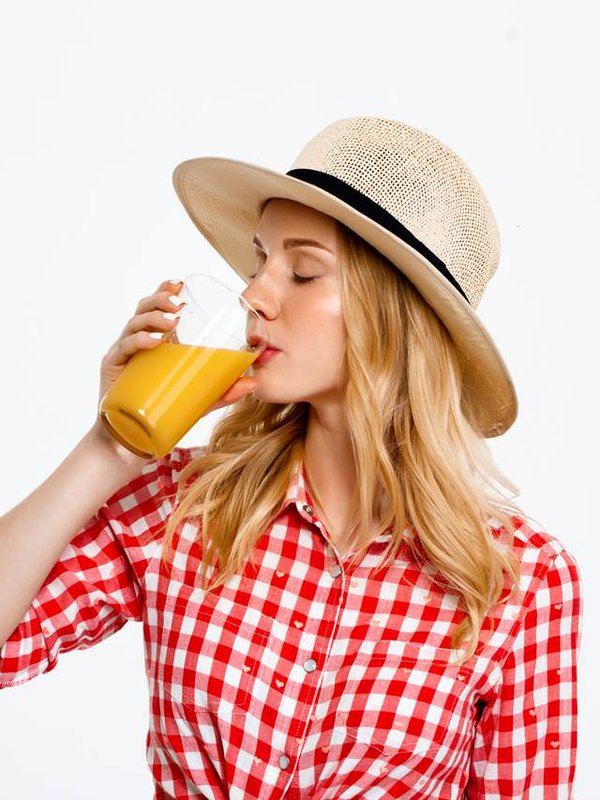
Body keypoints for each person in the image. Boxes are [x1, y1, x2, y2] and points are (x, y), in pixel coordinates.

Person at [0, 116, 582, 799]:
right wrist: (108, 449)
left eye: (303, 272)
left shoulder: (523, 581)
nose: (255, 294)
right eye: (258, 262)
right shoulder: (182, 505)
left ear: (396, 316)